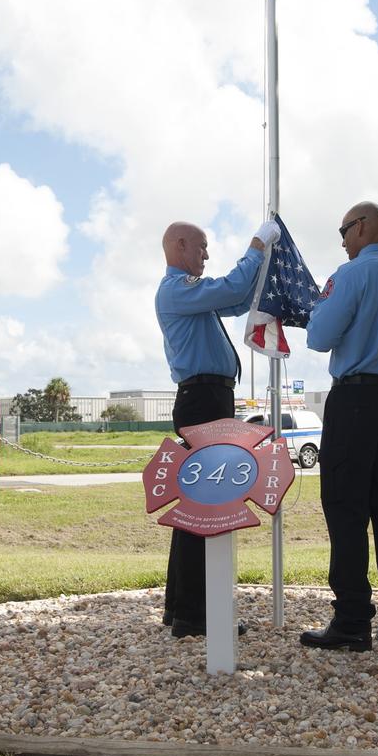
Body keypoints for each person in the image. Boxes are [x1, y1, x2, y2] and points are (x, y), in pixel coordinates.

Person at [301, 201, 378, 652]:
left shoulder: (351, 274)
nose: (340, 239)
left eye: (343, 229)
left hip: (355, 398)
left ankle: (352, 618)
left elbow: (318, 337)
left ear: (362, 228)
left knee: (346, 509)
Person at [155, 218, 278, 638]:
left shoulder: (190, 295)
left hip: (207, 399)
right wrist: (257, 246)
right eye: (203, 247)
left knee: (198, 502)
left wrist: (259, 264)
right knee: (205, 506)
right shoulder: (175, 290)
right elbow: (230, 288)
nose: (207, 255)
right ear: (181, 245)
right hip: (203, 400)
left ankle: (183, 608)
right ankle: (195, 614)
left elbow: (239, 298)